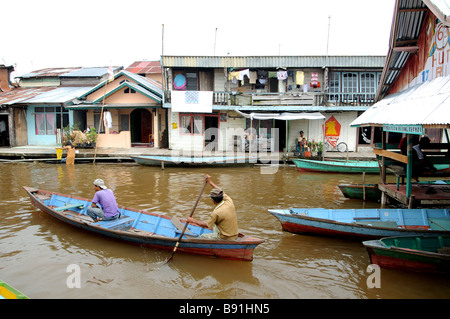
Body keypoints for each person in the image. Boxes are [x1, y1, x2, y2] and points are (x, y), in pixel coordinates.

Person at [188, 175, 239, 240]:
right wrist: (210, 182)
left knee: (203, 236)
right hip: (234, 233)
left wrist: (193, 221)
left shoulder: (216, 212)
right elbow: (221, 191)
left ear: (213, 200)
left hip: (225, 237)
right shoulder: (229, 201)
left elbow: (206, 225)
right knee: (214, 225)